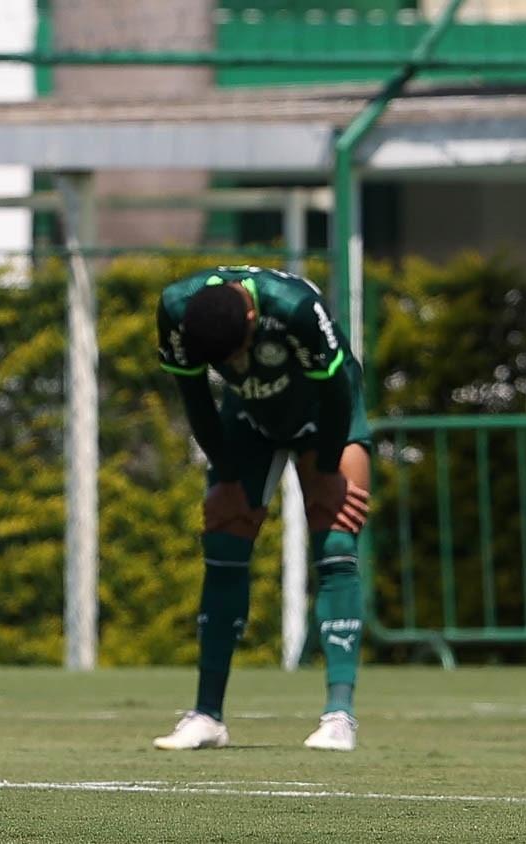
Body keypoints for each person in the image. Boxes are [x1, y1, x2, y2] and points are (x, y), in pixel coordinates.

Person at [153, 265, 371, 752]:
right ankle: (207, 714)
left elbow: (338, 393)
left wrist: (331, 469)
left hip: (325, 412)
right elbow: (195, 399)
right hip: (249, 418)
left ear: (252, 315)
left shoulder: (294, 306)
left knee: (336, 537)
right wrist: (227, 477)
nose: (239, 363)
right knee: (224, 534)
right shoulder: (174, 309)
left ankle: (339, 715)